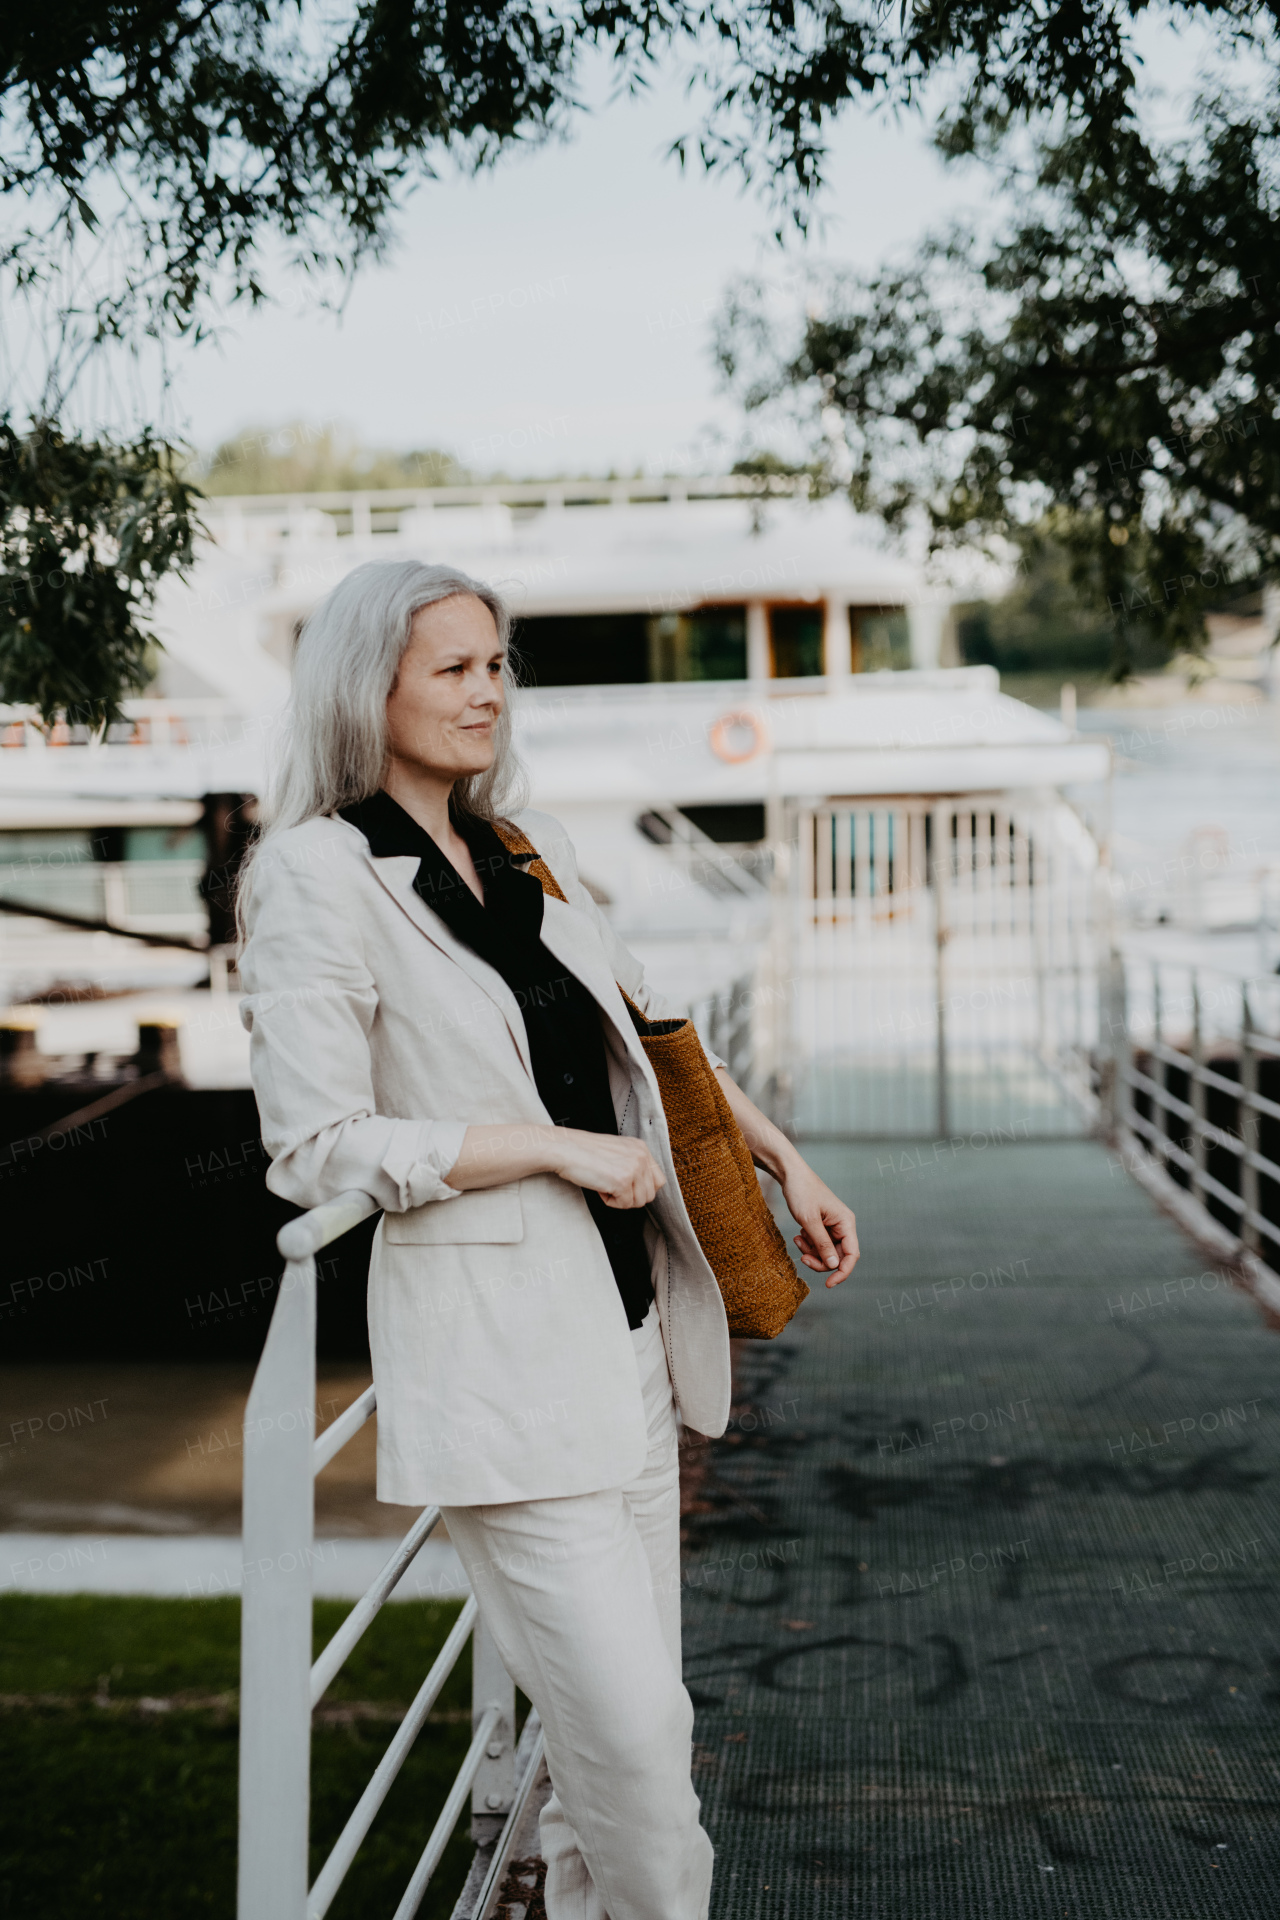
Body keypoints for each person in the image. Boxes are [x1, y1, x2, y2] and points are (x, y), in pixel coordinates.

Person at [237, 557, 859, 1920]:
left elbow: (657, 1041)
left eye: (497, 665)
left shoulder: (530, 850)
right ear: (368, 688)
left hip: (628, 1344)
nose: (488, 694)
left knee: (625, 1746)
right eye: (452, 669)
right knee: (635, 1751)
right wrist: (550, 1148)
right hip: (501, 1375)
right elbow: (314, 1144)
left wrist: (783, 1158)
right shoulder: (312, 876)